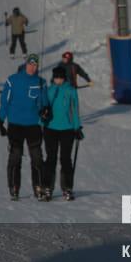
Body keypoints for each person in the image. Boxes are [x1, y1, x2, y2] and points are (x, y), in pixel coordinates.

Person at [0, 54, 47, 201]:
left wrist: (44, 110)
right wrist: (1, 119)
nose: (33, 67)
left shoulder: (41, 82)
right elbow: (5, 101)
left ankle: (39, 187)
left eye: (35, 65)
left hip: (33, 125)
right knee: (16, 156)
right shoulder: (12, 80)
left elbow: (43, 102)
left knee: (37, 157)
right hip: (15, 125)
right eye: (30, 64)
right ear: (26, 64)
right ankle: (14, 187)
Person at [42, 67, 82, 201]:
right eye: (56, 77)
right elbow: (43, 108)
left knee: (65, 159)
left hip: (67, 129)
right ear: (53, 77)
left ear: (64, 77)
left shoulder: (71, 90)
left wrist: (77, 127)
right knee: (51, 158)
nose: (58, 80)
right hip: (50, 128)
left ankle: (67, 188)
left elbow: (75, 109)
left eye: (60, 77)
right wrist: (41, 120)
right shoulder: (49, 90)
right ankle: (47, 188)